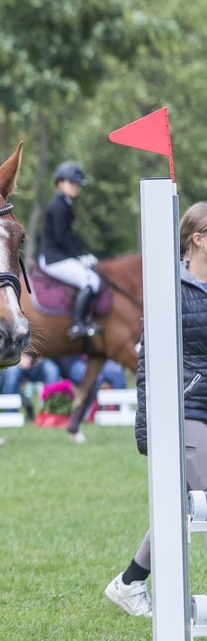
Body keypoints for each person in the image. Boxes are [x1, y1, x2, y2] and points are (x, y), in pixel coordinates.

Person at [107, 201, 207, 618]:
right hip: (186, 409)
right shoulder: (170, 288)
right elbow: (147, 362)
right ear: (198, 239)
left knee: (179, 500)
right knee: (197, 496)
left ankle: (130, 581)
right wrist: (146, 427)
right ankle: (130, 582)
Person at [39, 162, 98, 341]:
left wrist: (83, 254)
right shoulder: (59, 206)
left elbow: (68, 238)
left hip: (58, 256)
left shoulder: (64, 203)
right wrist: (80, 257)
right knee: (91, 280)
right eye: (73, 183)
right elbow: (62, 238)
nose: (76, 187)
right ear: (61, 183)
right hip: (54, 259)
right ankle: (78, 323)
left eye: (77, 184)